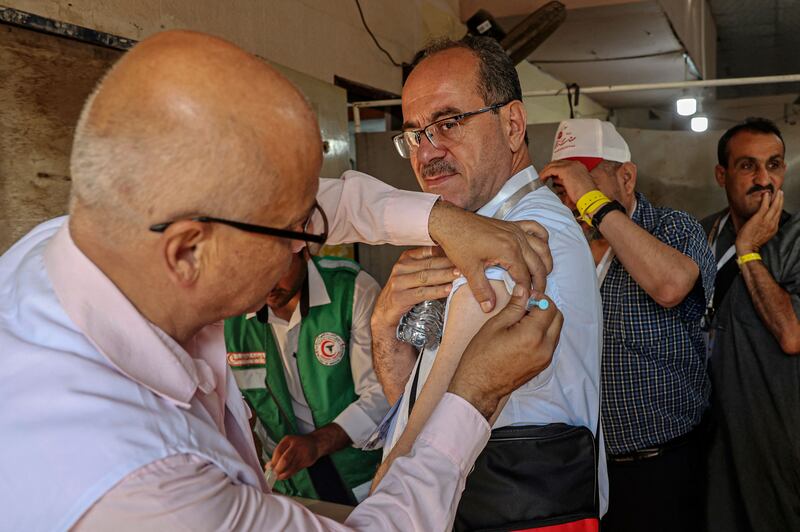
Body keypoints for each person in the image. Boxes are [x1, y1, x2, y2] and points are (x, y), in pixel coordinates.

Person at [0, 30, 564, 531]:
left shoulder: (95, 237)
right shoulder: (137, 481)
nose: (309, 242)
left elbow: (324, 202)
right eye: (295, 229)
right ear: (191, 251)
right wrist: (474, 393)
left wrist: (441, 219)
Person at [371, 37, 606, 531]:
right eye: (414, 134)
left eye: (448, 123)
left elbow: (435, 420)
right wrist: (382, 327)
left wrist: (383, 496)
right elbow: (418, 395)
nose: (427, 152)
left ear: (513, 125)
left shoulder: (530, 236)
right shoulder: (474, 232)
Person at [542, 118, 715, 532]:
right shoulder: (559, 246)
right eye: (562, 186)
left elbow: (670, 285)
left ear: (626, 176)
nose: (572, 198)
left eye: (583, 180)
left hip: (661, 465)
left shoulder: (673, 228)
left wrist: (595, 205)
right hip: (578, 465)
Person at [225, 248, 386, 504]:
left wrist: (317, 443)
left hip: (366, 477)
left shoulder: (352, 289)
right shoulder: (228, 318)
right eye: (254, 270)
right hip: (288, 489)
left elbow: (383, 395)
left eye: (276, 268)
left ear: (303, 250)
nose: (266, 283)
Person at [700, 117, 800, 532]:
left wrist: (749, 251)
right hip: (707, 435)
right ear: (722, 174)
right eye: (748, 166)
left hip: (774, 434)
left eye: (773, 165)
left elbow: (791, 334)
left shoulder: (795, 241)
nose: (764, 179)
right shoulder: (702, 235)